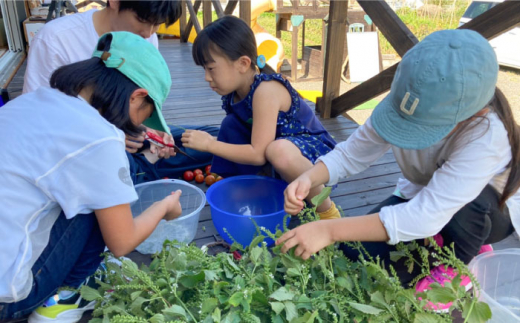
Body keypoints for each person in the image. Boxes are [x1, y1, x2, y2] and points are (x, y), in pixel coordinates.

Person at [278, 29, 519, 309]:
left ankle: (462, 261)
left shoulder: (487, 135)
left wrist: (329, 230)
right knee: (357, 255)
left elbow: (425, 215)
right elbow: (353, 152)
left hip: (488, 212)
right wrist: (310, 176)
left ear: (472, 113)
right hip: (422, 196)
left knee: (468, 208)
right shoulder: (406, 100)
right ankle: (438, 241)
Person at [0, 32, 182, 322]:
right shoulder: (100, 137)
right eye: (144, 116)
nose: (139, 126)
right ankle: (69, 293)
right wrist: (165, 207)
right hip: (8, 297)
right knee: (103, 203)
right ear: (137, 97)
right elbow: (122, 242)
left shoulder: (34, 100)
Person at [23, 0, 219, 183]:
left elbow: (139, 104)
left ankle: (142, 166)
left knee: (214, 138)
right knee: (123, 166)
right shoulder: (56, 39)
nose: (149, 33)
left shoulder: (145, 39)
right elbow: (37, 124)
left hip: (130, 133)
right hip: (81, 149)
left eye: (157, 24)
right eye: (142, 20)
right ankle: (136, 171)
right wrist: (108, 136)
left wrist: (155, 132)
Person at [181, 16, 339, 219]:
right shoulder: (236, 94)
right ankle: (257, 184)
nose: (206, 77)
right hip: (278, 154)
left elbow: (258, 154)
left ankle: (326, 212)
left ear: (243, 63)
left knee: (277, 150)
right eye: (204, 69)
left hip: (313, 159)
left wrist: (210, 144)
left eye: (211, 68)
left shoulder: (265, 91)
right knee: (230, 124)